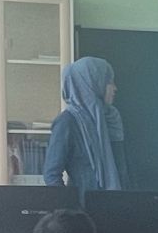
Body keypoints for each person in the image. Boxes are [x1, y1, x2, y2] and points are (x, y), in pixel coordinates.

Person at [44, 57, 125, 193]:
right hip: (83, 204)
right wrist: (70, 203)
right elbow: (51, 175)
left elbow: (122, 170)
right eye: (109, 82)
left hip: (118, 202)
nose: (115, 88)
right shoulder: (67, 122)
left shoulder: (111, 118)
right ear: (93, 83)